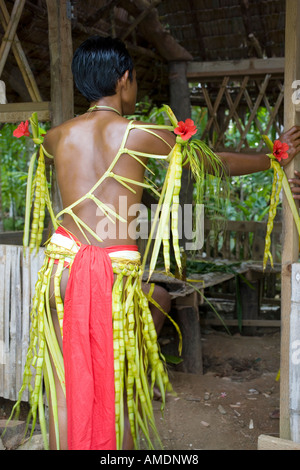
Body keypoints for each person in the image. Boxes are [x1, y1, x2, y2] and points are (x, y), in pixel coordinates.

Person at [10, 36, 300, 451]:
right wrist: (273, 158)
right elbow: (213, 161)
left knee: (63, 389)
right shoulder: (139, 134)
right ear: (124, 78)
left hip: (62, 270)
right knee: (120, 391)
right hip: (112, 279)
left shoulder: (55, 137)